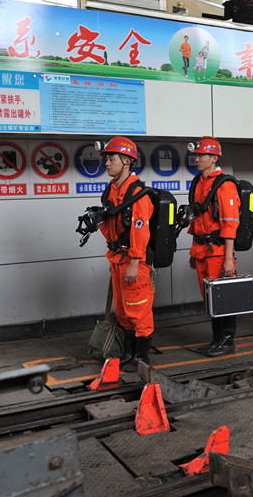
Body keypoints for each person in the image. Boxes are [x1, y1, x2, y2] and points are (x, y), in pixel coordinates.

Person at [100, 136, 155, 372]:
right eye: (107, 159)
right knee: (123, 310)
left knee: (139, 309)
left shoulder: (137, 193)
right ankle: (128, 353)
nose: (107, 163)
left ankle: (141, 357)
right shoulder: (113, 190)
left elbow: (140, 231)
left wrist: (134, 262)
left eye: (111, 158)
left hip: (134, 261)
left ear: (126, 161)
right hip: (117, 258)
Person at [186, 136, 240, 357]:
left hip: (218, 252)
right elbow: (197, 220)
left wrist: (228, 257)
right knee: (209, 298)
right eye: (196, 155)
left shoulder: (225, 185)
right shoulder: (198, 182)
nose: (197, 159)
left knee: (222, 298)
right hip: (201, 251)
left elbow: (230, 223)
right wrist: (193, 250)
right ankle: (217, 340)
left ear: (214, 158)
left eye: (202, 155)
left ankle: (227, 341)